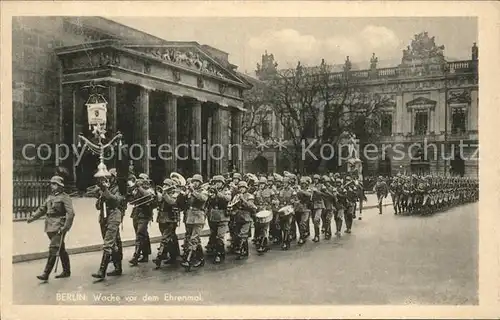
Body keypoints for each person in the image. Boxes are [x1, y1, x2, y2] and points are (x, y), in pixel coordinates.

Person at [27, 175, 75, 281]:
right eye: (52, 184)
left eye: (54, 184)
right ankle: (67, 271)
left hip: (59, 226)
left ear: (60, 186)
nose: (52, 186)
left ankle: (46, 274)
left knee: (53, 248)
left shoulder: (65, 197)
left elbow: (71, 214)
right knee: (60, 248)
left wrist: (65, 227)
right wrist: (32, 218)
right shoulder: (50, 197)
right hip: (49, 226)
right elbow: (42, 209)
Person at [91, 169, 125, 280]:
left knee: (108, 243)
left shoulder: (119, 188)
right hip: (104, 217)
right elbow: (97, 206)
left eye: (110, 177)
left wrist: (105, 190)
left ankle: (102, 271)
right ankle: (118, 267)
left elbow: (115, 200)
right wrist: (100, 193)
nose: (107, 179)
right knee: (114, 243)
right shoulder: (106, 188)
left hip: (114, 215)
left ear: (115, 178)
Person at [153, 178, 183, 269]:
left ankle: (159, 257)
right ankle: (174, 256)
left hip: (170, 219)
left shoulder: (175, 193)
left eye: (166, 185)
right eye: (164, 185)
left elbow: (172, 202)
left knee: (165, 238)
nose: (164, 186)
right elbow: (157, 202)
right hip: (162, 218)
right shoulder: (162, 194)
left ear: (170, 186)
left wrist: (164, 193)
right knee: (171, 238)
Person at [180, 174, 208, 270]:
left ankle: (189, 260)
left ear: (200, 183)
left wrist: (193, 191)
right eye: (193, 181)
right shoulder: (190, 192)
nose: (194, 183)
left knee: (194, 239)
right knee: (193, 239)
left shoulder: (203, 191)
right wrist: (183, 194)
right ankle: (200, 258)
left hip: (199, 216)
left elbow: (203, 198)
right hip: (190, 216)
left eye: (196, 181)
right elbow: (184, 203)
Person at [128, 173, 155, 266]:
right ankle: (145, 254)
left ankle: (136, 255)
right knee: (143, 234)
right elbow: (131, 199)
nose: (139, 181)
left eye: (142, 179)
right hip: (136, 214)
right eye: (139, 179)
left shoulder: (150, 189)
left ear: (147, 180)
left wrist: (139, 187)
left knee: (140, 234)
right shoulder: (136, 189)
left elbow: (148, 195)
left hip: (145, 214)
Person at [206, 175, 232, 264]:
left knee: (220, 236)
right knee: (213, 234)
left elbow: (227, 199)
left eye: (219, 182)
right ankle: (214, 251)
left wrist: (217, 193)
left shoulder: (226, 191)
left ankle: (219, 254)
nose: (217, 184)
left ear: (222, 183)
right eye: (216, 182)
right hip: (213, 216)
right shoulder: (212, 191)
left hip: (223, 216)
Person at [229, 181, 257, 259]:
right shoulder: (236, 196)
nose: (241, 189)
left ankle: (242, 252)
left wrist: (243, 199)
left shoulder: (250, 196)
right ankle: (244, 250)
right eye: (240, 188)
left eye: (243, 188)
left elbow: (251, 206)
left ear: (246, 188)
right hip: (238, 217)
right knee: (238, 235)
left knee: (243, 235)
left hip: (246, 217)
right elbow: (233, 205)